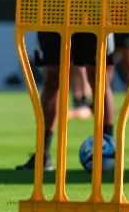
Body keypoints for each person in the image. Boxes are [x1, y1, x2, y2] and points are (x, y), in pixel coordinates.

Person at [17, 33, 116, 171]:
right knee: (51, 77)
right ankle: (43, 155)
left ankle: (109, 151)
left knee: (99, 78)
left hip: (93, 14)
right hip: (55, 14)